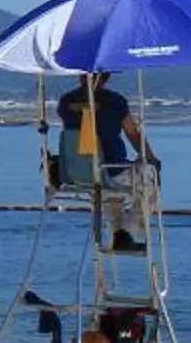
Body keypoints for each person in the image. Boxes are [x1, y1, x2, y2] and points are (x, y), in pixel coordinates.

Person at [56, 72, 156, 252]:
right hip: (111, 169)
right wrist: (150, 158)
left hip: (76, 172)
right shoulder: (115, 102)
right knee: (150, 181)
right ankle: (126, 230)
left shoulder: (65, 102)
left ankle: (120, 237)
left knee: (109, 192)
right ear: (106, 78)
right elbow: (132, 134)